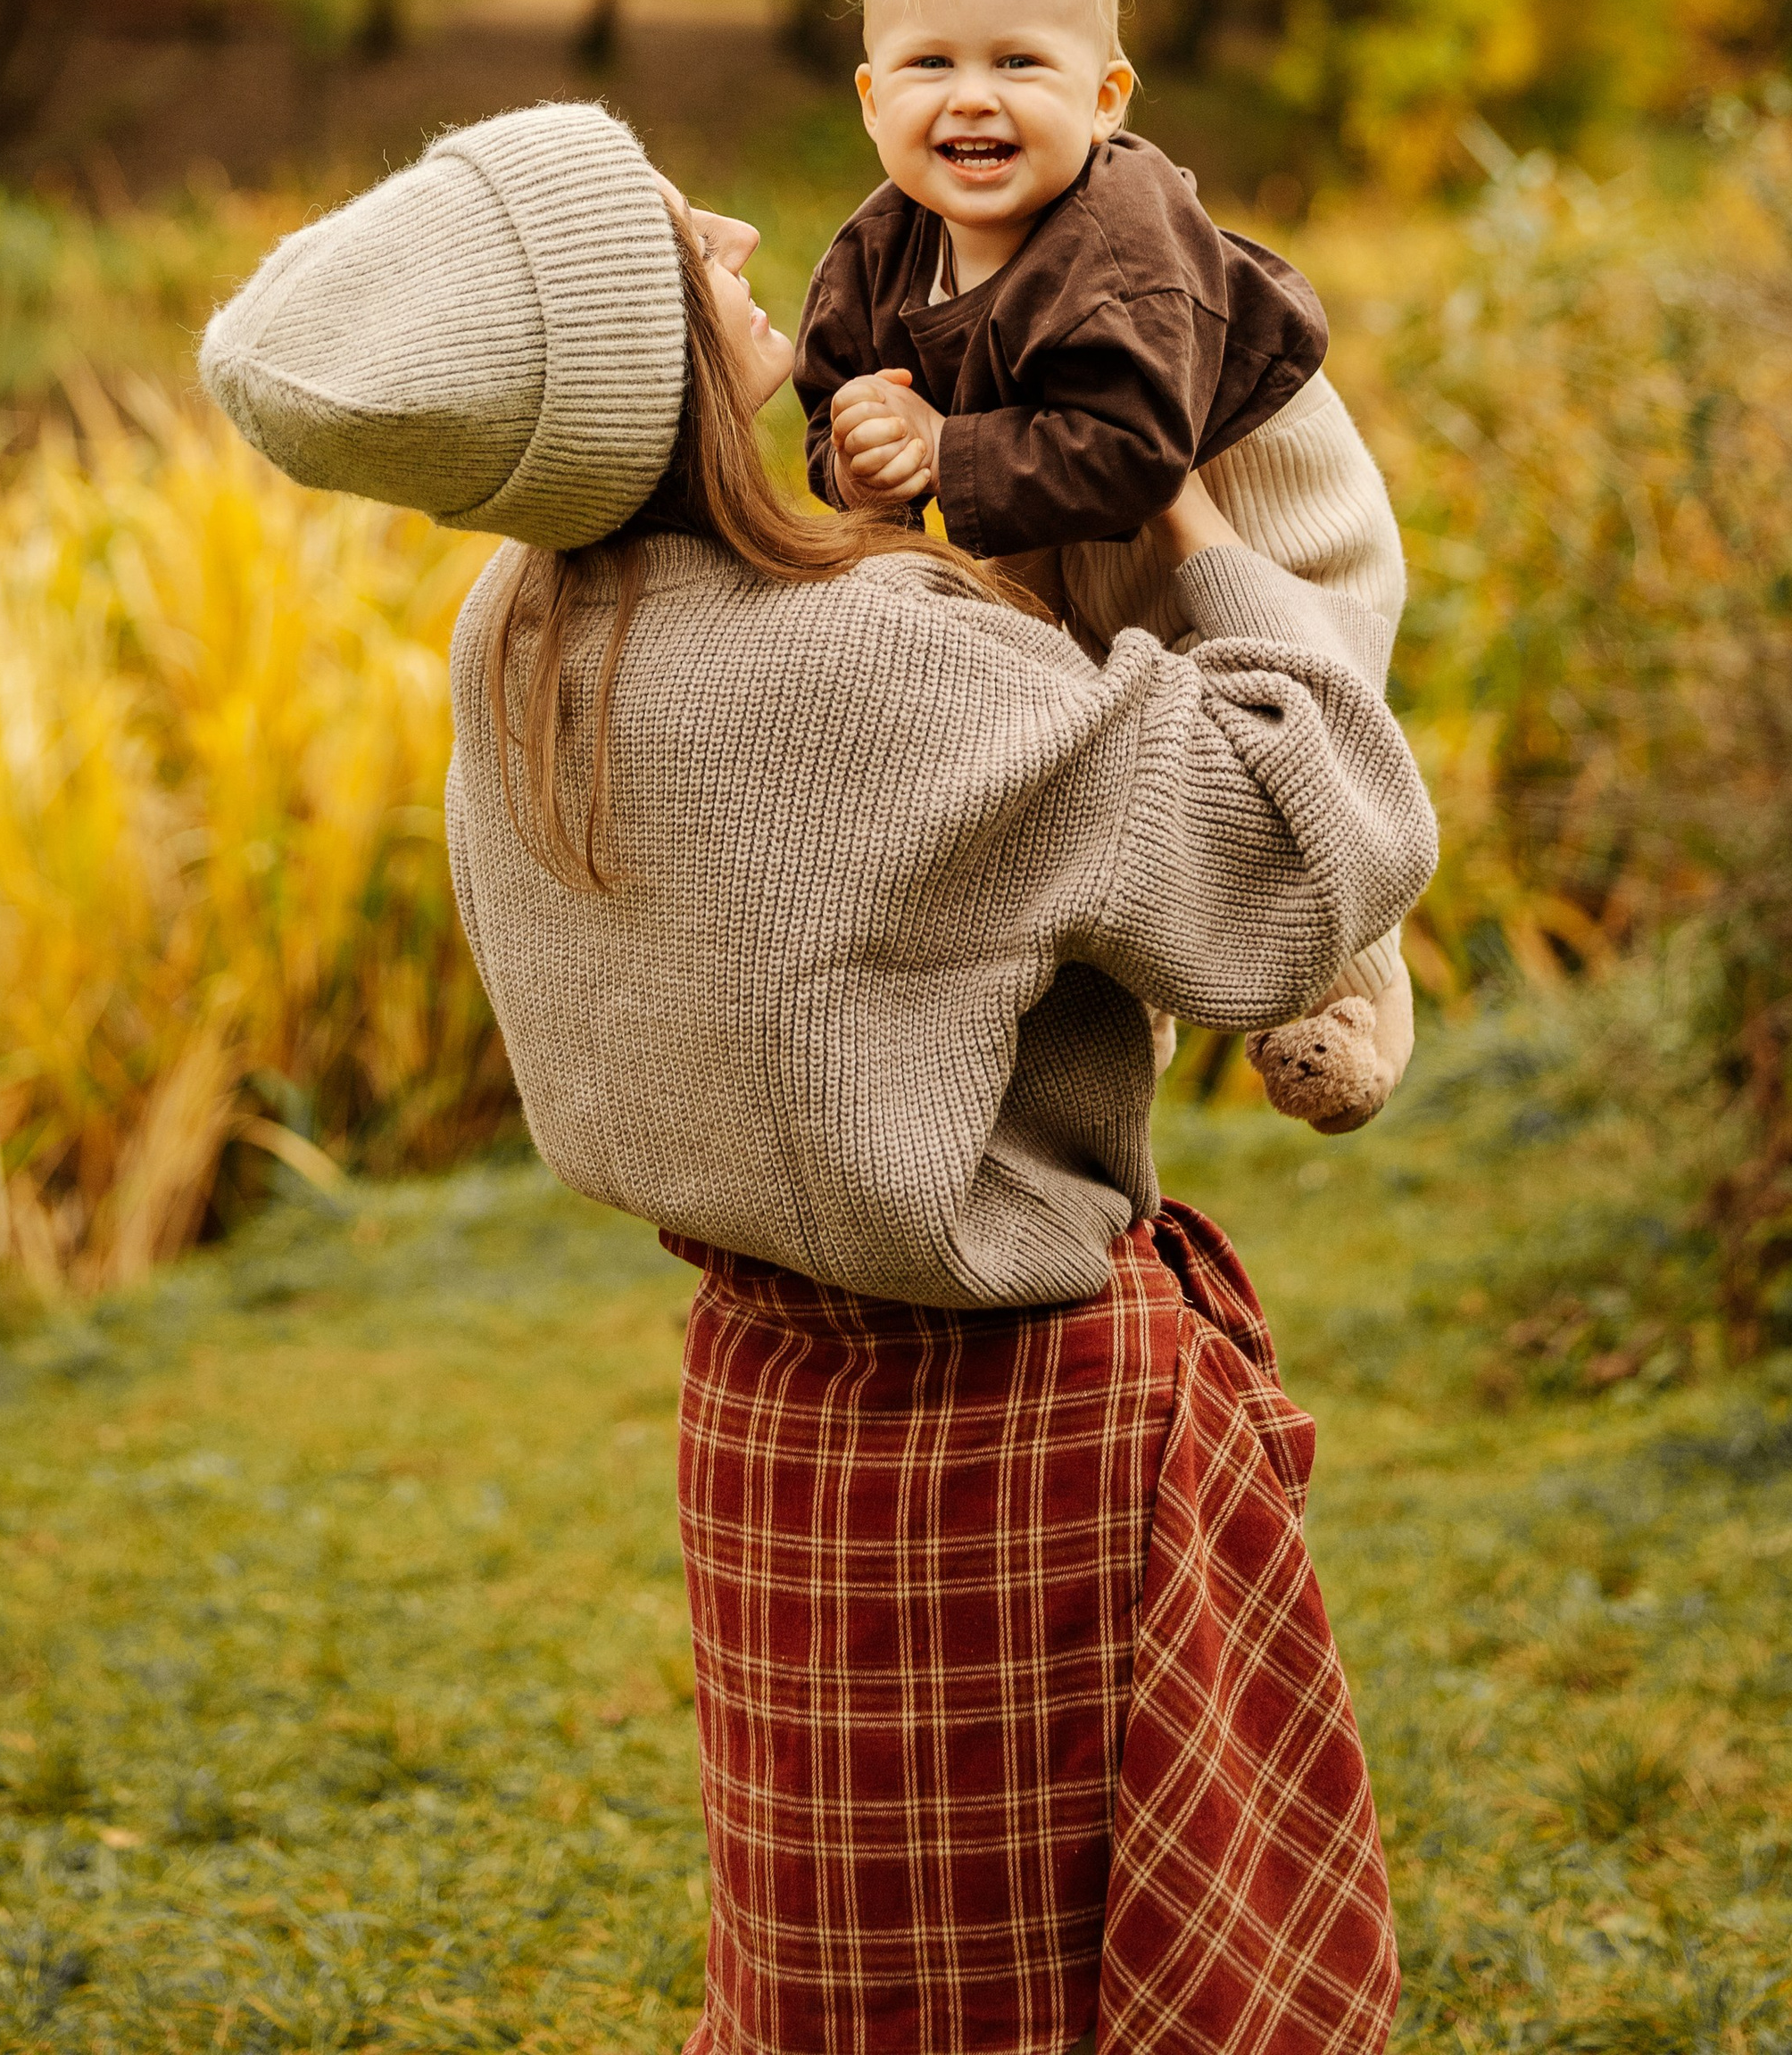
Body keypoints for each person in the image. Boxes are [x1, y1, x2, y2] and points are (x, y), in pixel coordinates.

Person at [199, 99, 1439, 2055]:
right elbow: (1306, 852)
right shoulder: (858, 666)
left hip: (771, 1411)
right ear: (629, 367)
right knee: (1076, 1997)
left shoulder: (524, 633)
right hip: (1014, 1428)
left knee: (844, 1993)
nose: (729, 224)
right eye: (667, 242)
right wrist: (1205, 517)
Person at [795, 0, 1414, 1127]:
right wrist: (859, 463)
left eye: (1021, 62)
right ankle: (1125, 992)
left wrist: (950, 452)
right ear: (872, 98)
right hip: (1061, 538)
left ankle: (1356, 984)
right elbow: (831, 400)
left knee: (1287, 723)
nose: (972, 98)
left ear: (1106, 94)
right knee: (1083, 750)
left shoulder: (1129, 236)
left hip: (1244, 492)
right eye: (929, 66)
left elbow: (1135, 454)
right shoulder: (876, 254)